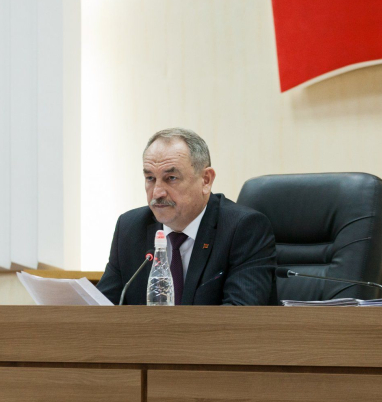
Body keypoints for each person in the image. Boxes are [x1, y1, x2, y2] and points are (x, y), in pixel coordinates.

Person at [97, 128, 276, 305]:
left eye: (171, 178)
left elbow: (240, 314)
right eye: (150, 178)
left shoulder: (243, 229)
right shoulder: (130, 227)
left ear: (206, 180)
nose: (157, 192)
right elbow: (100, 308)